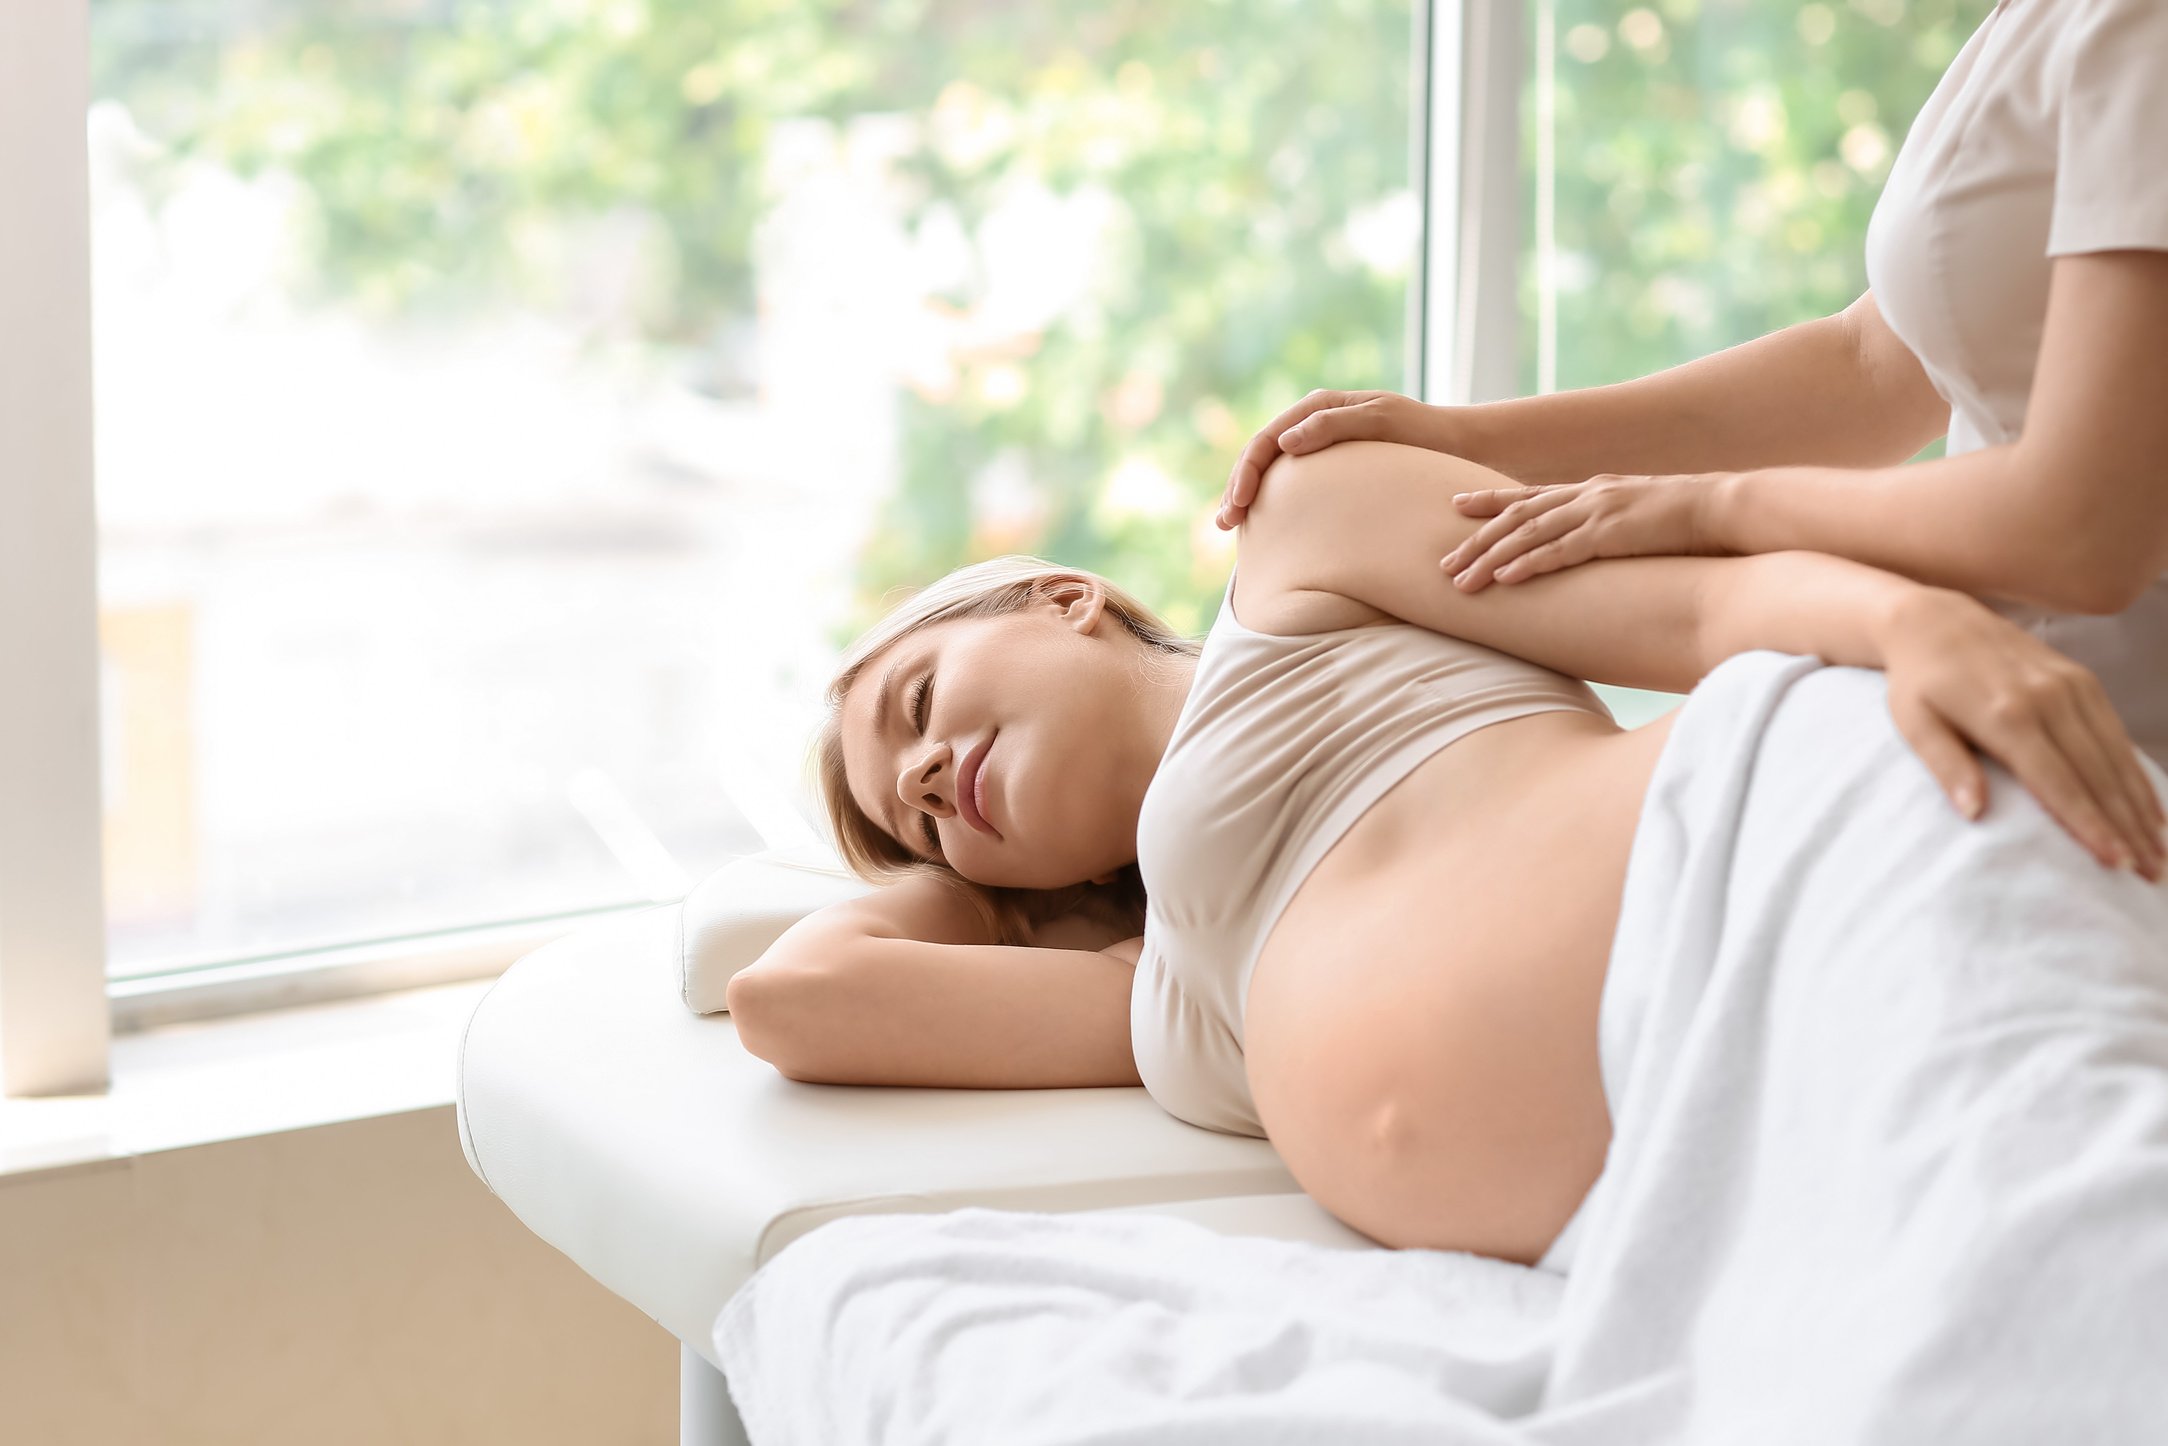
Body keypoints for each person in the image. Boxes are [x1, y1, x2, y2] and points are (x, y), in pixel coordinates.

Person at [727, 437, 2166, 1270]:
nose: (925, 773)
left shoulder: (1303, 550)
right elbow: (803, 1000)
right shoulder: (1150, 993)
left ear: (1063, 598)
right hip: (1761, 1170)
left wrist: (1910, 626)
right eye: (915, 810)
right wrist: (933, 864)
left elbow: (1691, 616)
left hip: (1817, 868)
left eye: (921, 704)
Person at [1217, 0, 2168, 794]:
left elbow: (2086, 530)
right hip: (2016, 739)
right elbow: (1873, 365)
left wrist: (1713, 509)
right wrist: (1466, 438)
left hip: (2109, 763)